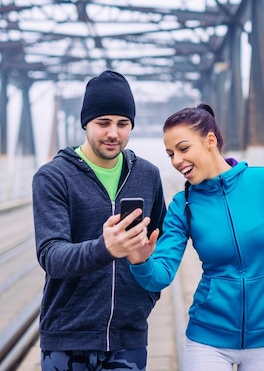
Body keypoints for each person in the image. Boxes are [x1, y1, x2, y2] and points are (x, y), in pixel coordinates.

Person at [128, 103, 264, 371]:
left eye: (183, 149)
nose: (176, 161)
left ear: (210, 141)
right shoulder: (182, 205)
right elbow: (161, 275)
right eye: (171, 154)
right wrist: (140, 261)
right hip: (208, 339)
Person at [32, 70, 167, 371]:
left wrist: (147, 292)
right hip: (67, 338)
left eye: (123, 124)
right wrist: (104, 248)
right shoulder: (53, 177)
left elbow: (164, 243)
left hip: (128, 338)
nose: (113, 133)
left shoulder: (147, 175)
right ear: (85, 124)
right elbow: (51, 255)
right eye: (102, 123)